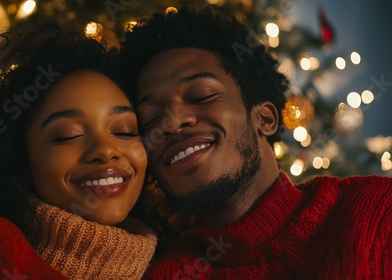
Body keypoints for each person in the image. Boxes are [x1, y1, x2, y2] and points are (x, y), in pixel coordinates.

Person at [121, 6, 392, 279]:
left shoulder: (378, 210)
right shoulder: (165, 273)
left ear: (265, 119)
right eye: (151, 118)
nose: (170, 122)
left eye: (201, 96)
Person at [0, 19, 156, 280]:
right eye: (68, 135)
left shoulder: (177, 265)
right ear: (20, 162)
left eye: (125, 130)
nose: (105, 150)